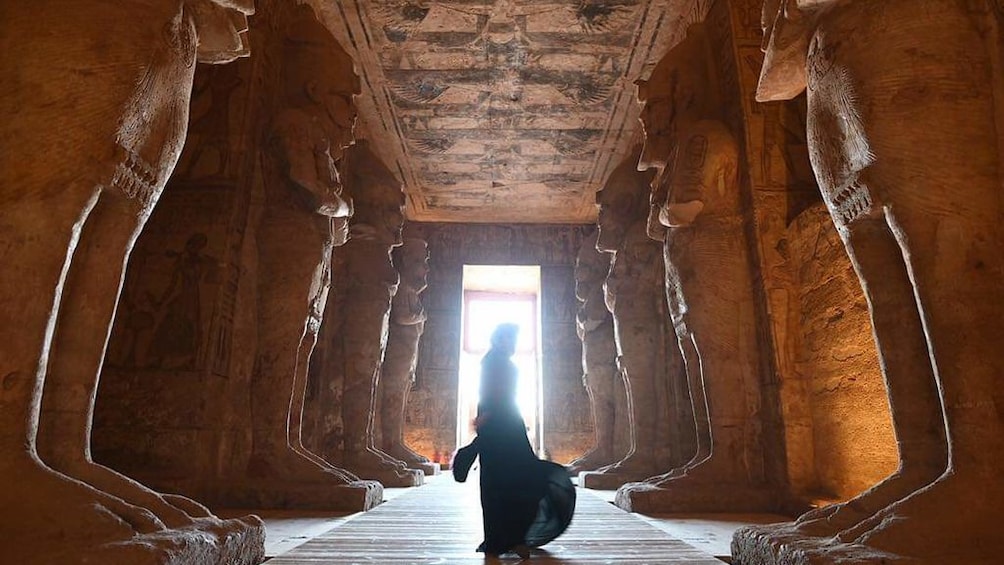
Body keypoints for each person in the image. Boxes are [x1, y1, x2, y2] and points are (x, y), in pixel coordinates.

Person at [453, 323, 576, 558]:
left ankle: (512, 537)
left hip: (507, 426)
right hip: (498, 426)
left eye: (514, 340)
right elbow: (492, 394)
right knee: (497, 485)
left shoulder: (496, 361)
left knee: (516, 480)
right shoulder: (492, 361)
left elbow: (499, 394)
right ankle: (502, 539)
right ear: (499, 339)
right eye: (509, 339)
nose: (513, 344)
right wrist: (486, 417)